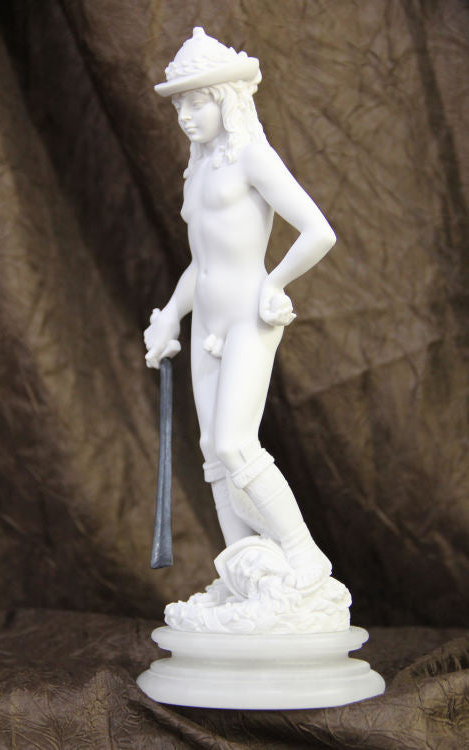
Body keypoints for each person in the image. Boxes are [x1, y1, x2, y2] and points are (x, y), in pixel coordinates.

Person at [144, 28, 336, 595]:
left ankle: (302, 554)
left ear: (227, 100)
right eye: (180, 105)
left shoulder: (253, 156)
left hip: (249, 317)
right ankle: (241, 567)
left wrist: (275, 283)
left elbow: (318, 231)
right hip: (206, 318)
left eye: (197, 102)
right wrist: (170, 315)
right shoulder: (198, 168)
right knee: (211, 450)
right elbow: (200, 263)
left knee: (234, 443)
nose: (185, 116)